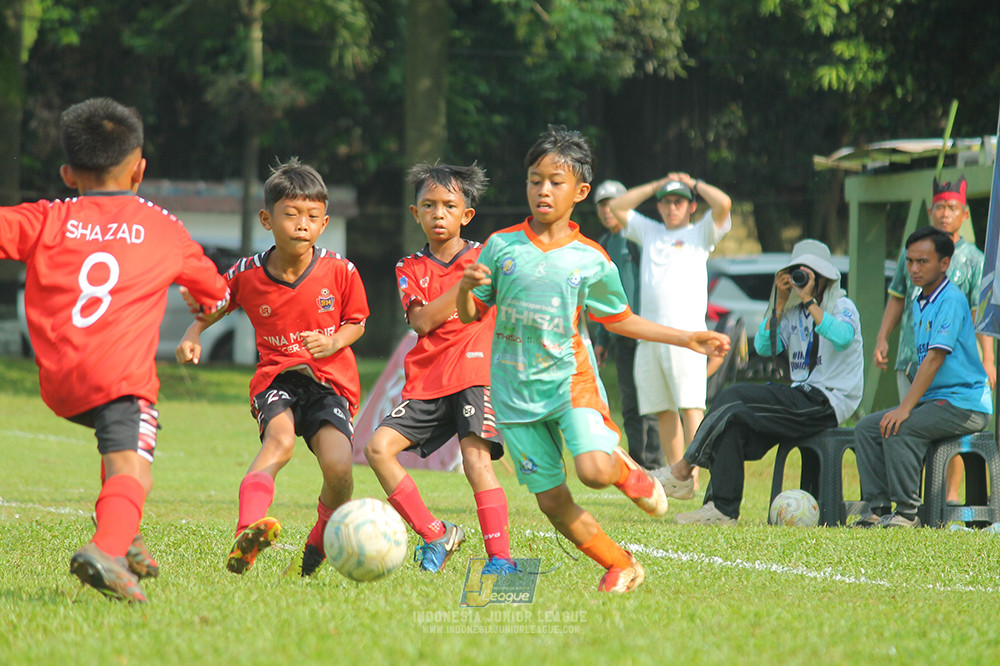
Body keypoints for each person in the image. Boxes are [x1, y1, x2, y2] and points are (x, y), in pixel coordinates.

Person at [456, 125, 730, 593]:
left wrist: (687, 338)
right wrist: (464, 289)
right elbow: (470, 313)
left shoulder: (591, 258)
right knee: (552, 502)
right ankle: (620, 564)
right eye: (534, 179)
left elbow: (620, 319)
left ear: (580, 191)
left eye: (555, 182)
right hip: (512, 393)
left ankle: (625, 469)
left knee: (594, 472)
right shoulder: (501, 246)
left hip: (569, 381)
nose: (543, 190)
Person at [0, 97, 230, 603]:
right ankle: (105, 548)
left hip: (58, 382)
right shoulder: (165, 229)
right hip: (119, 380)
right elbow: (217, 292)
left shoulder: (46, 218)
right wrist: (203, 299)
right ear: (139, 168)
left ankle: (128, 539)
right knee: (134, 469)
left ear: (67, 172)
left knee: (118, 446)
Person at [176, 157, 369, 576]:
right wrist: (193, 333)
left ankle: (317, 541)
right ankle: (248, 531)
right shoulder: (247, 272)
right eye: (292, 213)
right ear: (267, 218)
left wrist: (333, 341)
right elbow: (217, 304)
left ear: (324, 223)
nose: (303, 223)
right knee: (278, 443)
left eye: (313, 216)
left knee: (339, 469)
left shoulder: (340, 270)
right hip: (276, 379)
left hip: (330, 382)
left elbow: (357, 322)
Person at [363, 162, 515, 576]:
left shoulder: (490, 257)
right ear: (415, 214)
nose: (438, 213)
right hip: (427, 382)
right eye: (428, 205)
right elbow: (422, 321)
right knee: (378, 449)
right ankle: (435, 533)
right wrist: (464, 285)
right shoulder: (408, 267)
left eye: (449, 205)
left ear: (466, 215)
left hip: (474, 375)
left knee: (475, 463)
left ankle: (501, 562)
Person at [656, 240, 864, 524]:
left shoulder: (841, 305)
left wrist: (809, 300)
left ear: (824, 275)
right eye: (796, 272)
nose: (801, 278)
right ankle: (721, 510)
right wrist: (779, 303)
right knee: (732, 422)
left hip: (827, 402)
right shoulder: (792, 311)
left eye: (809, 272)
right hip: (799, 394)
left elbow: (842, 337)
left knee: (734, 395)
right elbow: (767, 347)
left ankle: (683, 469)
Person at [853, 226, 992, 528]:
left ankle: (906, 513)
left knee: (900, 426)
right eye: (910, 261)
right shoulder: (918, 299)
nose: (914, 269)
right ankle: (878, 508)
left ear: (944, 264)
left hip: (966, 402)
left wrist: (905, 408)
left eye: (922, 262)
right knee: (867, 427)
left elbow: (934, 358)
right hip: (937, 402)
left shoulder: (952, 300)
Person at [873, 176, 995, 504]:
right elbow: (897, 296)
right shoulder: (916, 272)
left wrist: (989, 358)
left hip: (955, 384)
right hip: (916, 365)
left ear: (964, 214)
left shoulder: (970, 261)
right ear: (930, 210)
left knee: (907, 423)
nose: (944, 213)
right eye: (939, 206)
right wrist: (883, 338)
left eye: (951, 207)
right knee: (888, 425)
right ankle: (881, 506)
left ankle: (942, 501)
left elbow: (978, 316)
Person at [608, 172, 733, 490]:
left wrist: (695, 184)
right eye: (665, 202)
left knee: (690, 407)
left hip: (689, 338)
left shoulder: (700, 232)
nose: (671, 207)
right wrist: (656, 184)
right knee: (661, 408)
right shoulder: (650, 231)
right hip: (650, 335)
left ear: (691, 206)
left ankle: (697, 475)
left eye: (678, 201)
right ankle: (680, 480)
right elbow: (619, 207)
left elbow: (723, 204)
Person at [590, 179, 663, 471]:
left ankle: (657, 465)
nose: (607, 210)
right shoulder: (604, 244)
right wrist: (601, 340)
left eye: (612, 203)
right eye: (602, 205)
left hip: (645, 331)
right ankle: (638, 464)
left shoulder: (639, 239)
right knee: (630, 404)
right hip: (619, 335)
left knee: (651, 400)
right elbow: (601, 298)